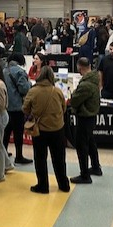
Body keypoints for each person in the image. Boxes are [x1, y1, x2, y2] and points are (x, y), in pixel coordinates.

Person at [22, 66, 70, 194]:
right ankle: (63, 184)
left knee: (40, 158)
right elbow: (63, 108)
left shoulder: (33, 91)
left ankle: (43, 185)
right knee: (59, 158)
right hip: (57, 129)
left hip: (40, 130)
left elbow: (25, 108)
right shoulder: (57, 91)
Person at [70, 57, 101, 184]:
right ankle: (95, 166)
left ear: (79, 67)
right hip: (91, 115)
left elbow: (75, 100)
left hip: (84, 116)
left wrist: (73, 95)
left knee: (81, 146)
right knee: (91, 142)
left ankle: (84, 175)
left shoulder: (85, 84)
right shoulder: (94, 79)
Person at [3, 53, 32, 165]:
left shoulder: (4, 71)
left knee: (6, 132)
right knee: (18, 133)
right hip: (17, 107)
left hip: (6, 106)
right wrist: (29, 83)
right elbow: (24, 89)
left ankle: (4, 154)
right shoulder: (20, 72)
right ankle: (19, 156)